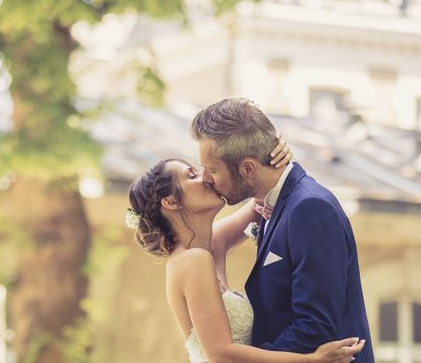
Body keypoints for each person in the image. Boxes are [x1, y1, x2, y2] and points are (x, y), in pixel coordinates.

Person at [127, 151, 365, 362]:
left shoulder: (209, 245)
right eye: (192, 176)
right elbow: (222, 354)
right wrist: (311, 360)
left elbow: (265, 189)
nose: (206, 178)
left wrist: (274, 150)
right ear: (170, 201)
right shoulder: (192, 261)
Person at [190, 98, 374, 361]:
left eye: (211, 170)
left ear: (248, 168)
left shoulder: (310, 209)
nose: (205, 179)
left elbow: (316, 328)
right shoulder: (271, 204)